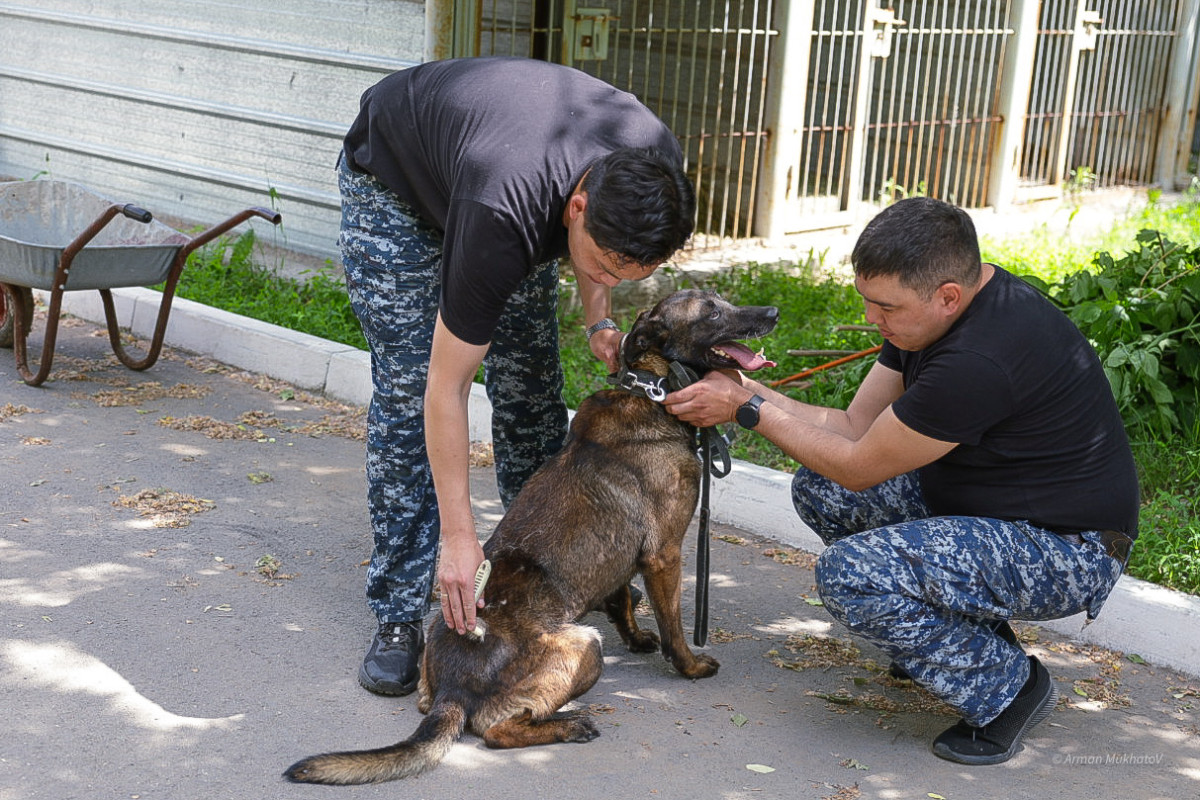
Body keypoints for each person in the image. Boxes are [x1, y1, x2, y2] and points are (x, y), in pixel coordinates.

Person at [663, 197, 1138, 765]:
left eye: (884, 306)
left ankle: (1009, 690)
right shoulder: (931, 314)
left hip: (1068, 549)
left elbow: (859, 466)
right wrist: (745, 390)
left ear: (948, 296)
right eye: (868, 302)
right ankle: (962, 642)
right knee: (821, 489)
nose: (872, 319)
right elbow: (855, 426)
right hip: (997, 513)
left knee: (850, 576)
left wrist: (746, 411)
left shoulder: (979, 360)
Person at [337, 56, 696, 698]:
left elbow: (611, 248)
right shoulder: (504, 210)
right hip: (397, 185)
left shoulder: (652, 165)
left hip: (505, 169)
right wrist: (458, 536)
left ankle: (537, 582)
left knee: (531, 391)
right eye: (609, 263)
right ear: (576, 207)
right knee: (406, 387)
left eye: (635, 271)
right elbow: (445, 390)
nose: (620, 276)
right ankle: (400, 609)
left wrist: (597, 316)